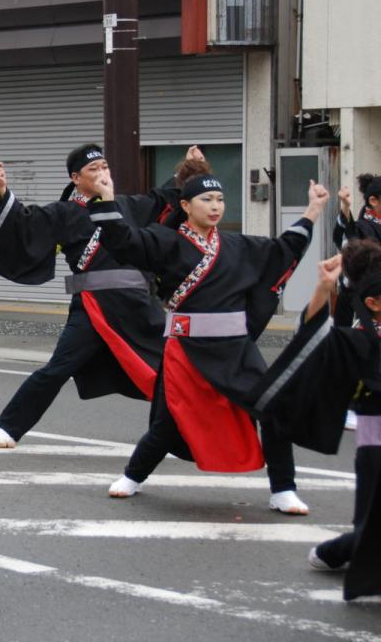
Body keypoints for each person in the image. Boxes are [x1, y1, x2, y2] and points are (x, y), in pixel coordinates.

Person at [89, 174, 329, 515]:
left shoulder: (236, 247)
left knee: (274, 410)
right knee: (169, 423)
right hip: (188, 350)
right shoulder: (165, 241)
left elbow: (282, 249)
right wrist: (107, 198)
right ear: (185, 206)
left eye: (219, 199)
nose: (215, 206)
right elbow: (123, 241)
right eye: (206, 200)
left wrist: (314, 209)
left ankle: (283, 489)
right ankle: (133, 475)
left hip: (236, 350)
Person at [0, 144, 207, 449]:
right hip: (92, 306)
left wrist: (187, 170)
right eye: (93, 169)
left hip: (138, 305)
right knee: (58, 368)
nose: (102, 172)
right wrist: (3, 189)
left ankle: (188, 429)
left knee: (174, 366)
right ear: (76, 178)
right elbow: (25, 221)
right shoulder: (64, 212)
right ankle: (10, 425)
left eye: (105, 166)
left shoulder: (128, 205)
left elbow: (165, 199)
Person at [249, 244, 381, 599]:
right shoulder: (361, 340)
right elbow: (315, 334)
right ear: (373, 303)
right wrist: (324, 286)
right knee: (372, 531)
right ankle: (332, 552)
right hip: (377, 447)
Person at [332, 173, 381, 431]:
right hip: (358, 302)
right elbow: (347, 235)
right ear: (373, 201)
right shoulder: (364, 225)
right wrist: (345, 208)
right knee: (356, 354)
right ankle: (347, 406)